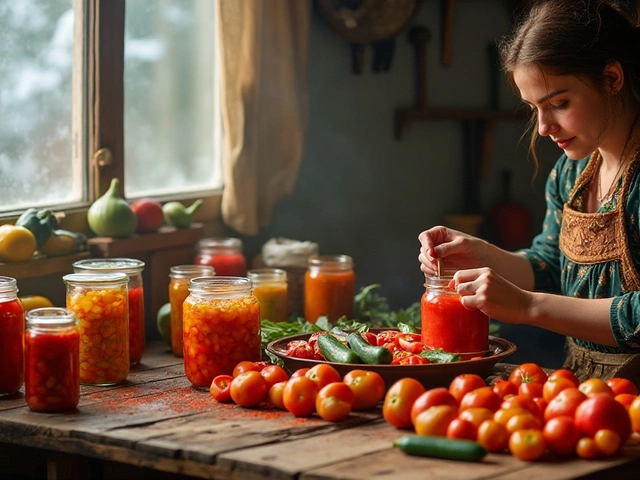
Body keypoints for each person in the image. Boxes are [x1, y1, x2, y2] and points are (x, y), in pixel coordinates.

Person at [418, 0, 640, 386]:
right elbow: (550, 266)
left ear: (612, 78)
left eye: (558, 104)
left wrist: (528, 306)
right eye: (533, 108)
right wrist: (481, 253)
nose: (543, 128)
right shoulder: (572, 172)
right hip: (580, 393)